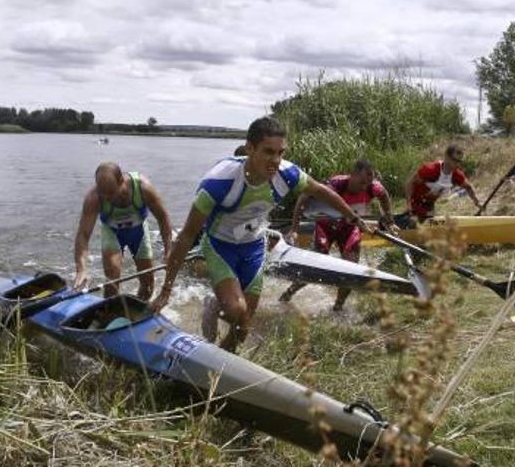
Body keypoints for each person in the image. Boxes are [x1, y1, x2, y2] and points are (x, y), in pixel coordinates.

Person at [151, 116, 370, 352]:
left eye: (280, 152)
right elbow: (186, 236)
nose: (275, 160)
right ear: (250, 148)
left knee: (243, 329)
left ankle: (220, 366)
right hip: (220, 247)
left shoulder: (287, 174)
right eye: (268, 152)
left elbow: (321, 191)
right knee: (237, 310)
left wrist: (353, 217)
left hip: (254, 247)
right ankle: (217, 306)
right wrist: (166, 290)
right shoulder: (219, 182)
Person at [279, 159, 396, 311]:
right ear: (352, 175)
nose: (364, 187)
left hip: (350, 228)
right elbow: (303, 198)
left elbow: (384, 196)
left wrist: (389, 220)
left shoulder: (373, 187)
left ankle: (338, 308)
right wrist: (294, 228)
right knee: (316, 265)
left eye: (367, 183)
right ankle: (290, 292)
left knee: (351, 269)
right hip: (326, 226)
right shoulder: (335, 184)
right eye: (361, 182)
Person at [74, 162, 174, 300]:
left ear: (121, 181)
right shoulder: (94, 198)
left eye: (110, 193)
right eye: (102, 193)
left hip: (139, 232)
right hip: (112, 233)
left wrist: (168, 250)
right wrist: (81, 269)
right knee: (112, 279)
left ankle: (138, 311)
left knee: (148, 283)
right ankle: (110, 313)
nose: (106, 198)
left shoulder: (143, 188)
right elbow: (83, 235)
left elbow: (163, 218)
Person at [397, 144, 482, 228]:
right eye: (455, 160)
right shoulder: (430, 169)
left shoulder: (457, 175)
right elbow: (410, 183)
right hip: (414, 204)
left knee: (427, 227)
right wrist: (408, 204)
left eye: (459, 161)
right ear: (446, 157)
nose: (457, 164)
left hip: (429, 206)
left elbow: (468, 187)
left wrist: (477, 203)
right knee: (411, 224)